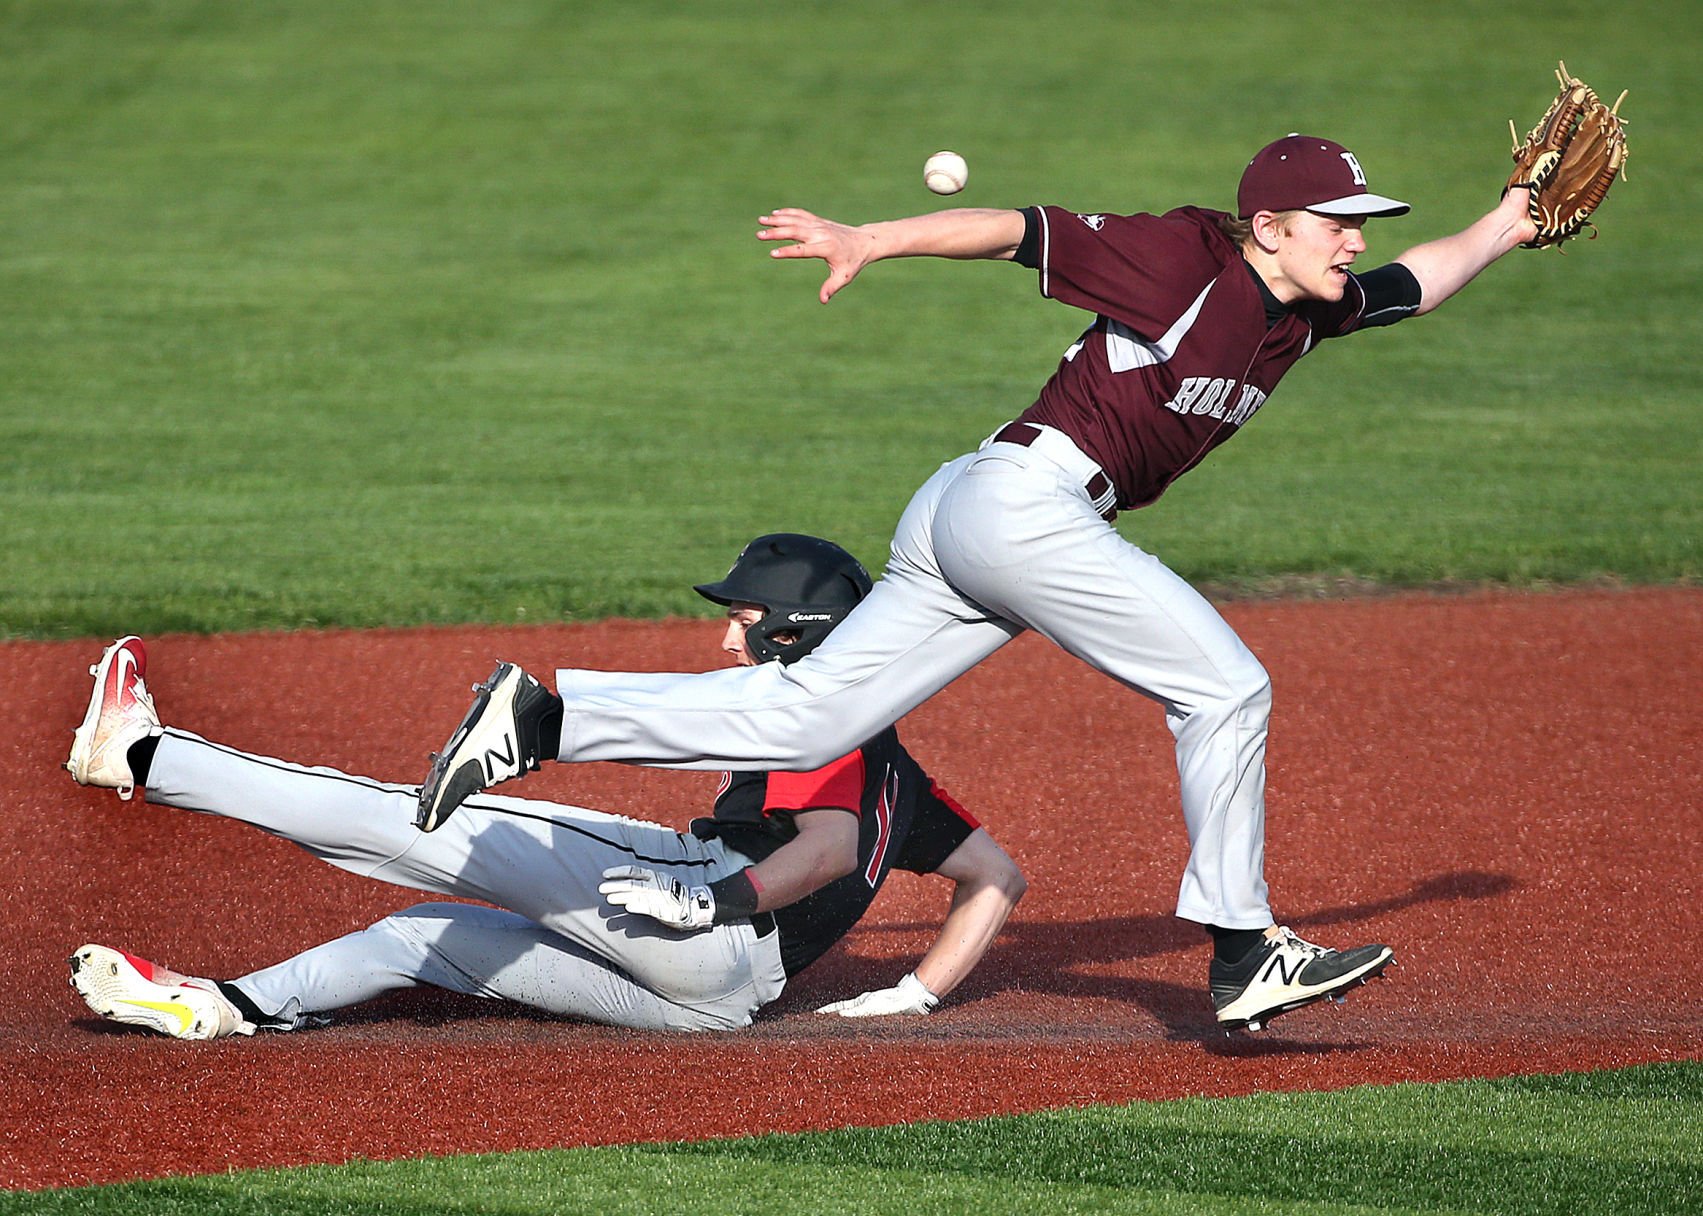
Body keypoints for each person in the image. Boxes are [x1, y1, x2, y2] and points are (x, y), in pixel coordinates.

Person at [417, 135, 1541, 1032]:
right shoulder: (1182, 258)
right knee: (1224, 687)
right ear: (1267, 226)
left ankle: (545, 710)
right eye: (1336, 221)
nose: (1353, 238)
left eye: (1358, 221)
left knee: (808, 713)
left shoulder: (1309, 306)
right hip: (1020, 506)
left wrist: (1504, 223)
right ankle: (1243, 951)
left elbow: (1409, 287)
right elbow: (1018, 230)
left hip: (982, 515)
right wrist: (872, 237)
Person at [63, 535, 1025, 1039]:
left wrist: (708, 896)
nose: (726, 637)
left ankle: (144, 755)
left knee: (426, 823)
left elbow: (829, 849)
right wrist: (916, 997)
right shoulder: (902, 770)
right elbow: (995, 877)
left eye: (745, 617)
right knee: (423, 936)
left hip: (704, 922)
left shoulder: (820, 715)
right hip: (723, 1002)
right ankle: (232, 1005)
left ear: (799, 629)